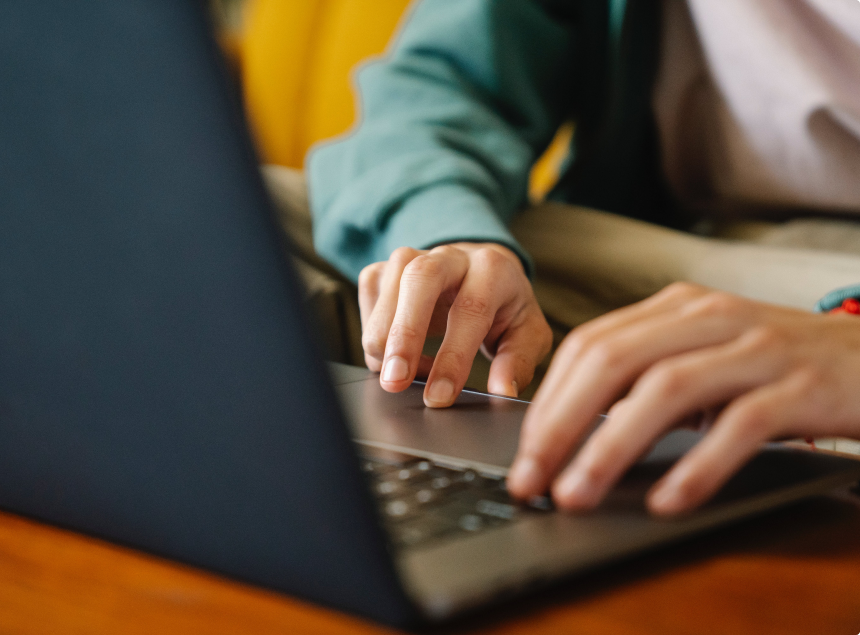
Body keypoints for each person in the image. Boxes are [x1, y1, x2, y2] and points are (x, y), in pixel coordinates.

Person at [303, 0, 860, 516]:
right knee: (274, 218)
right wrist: (455, 238)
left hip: (836, 301)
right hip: (662, 245)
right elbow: (438, 89)